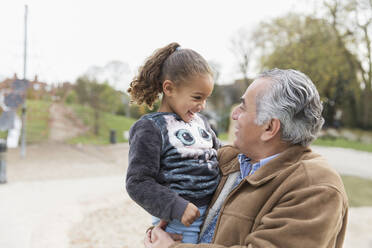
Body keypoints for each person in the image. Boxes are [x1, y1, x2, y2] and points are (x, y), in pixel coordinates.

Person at [144, 68, 348, 248]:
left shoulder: (315, 187)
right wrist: (161, 231)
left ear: (269, 127)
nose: (234, 114)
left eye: (243, 106)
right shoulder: (226, 159)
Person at [126, 42, 221, 244]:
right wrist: (176, 207)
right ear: (169, 88)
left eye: (206, 98)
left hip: (215, 213)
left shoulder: (202, 123)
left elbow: (219, 156)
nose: (202, 106)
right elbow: (138, 182)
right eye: (197, 97)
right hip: (180, 222)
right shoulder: (150, 128)